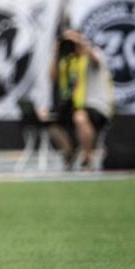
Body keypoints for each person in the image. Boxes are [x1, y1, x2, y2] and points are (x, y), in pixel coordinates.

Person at [50, 29, 114, 169]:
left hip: (97, 104)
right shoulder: (68, 60)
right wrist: (56, 51)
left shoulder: (93, 53)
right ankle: (69, 153)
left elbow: (96, 62)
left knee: (80, 117)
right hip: (75, 105)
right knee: (50, 121)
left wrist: (80, 42)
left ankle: (87, 157)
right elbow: (53, 77)